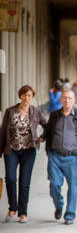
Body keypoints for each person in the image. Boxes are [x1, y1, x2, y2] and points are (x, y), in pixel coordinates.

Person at [44, 89, 77, 225]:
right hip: (55, 156)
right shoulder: (54, 116)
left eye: (70, 98)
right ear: (61, 100)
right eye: (64, 98)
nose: (67, 101)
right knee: (54, 184)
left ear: (74, 101)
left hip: (73, 157)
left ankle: (69, 215)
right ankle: (59, 205)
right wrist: (48, 151)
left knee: (73, 187)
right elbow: (48, 132)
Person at [0, 85, 47, 223]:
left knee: (24, 181)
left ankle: (23, 212)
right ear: (20, 96)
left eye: (29, 95)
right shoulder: (10, 111)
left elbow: (47, 125)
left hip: (29, 151)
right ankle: (12, 209)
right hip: (11, 150)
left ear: (32, 98)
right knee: (10, 178)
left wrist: (42, 138)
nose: (26, 98)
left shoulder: (36, 112)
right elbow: (3, 131)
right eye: (24, 95)